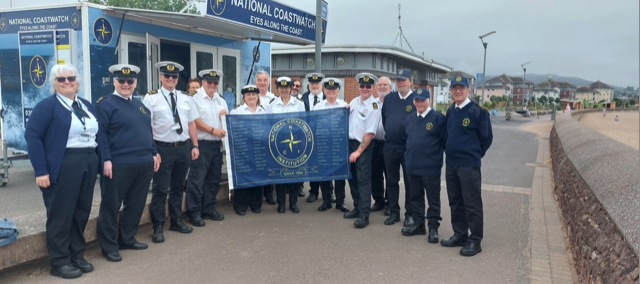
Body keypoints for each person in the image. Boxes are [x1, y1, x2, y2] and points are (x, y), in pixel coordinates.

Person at [25, 64, 99, 279]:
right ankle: (59, 261)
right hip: (63, 163)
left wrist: (104, 161)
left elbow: (98, 136)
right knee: (61, 214)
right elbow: (33, 138)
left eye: (71, 78)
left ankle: (76, 254)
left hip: (88, 161)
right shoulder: (47, 107)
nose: (67, 82)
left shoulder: (85, 105)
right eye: (61, 79)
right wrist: (41, 170)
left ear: (78, 81)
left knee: (81, 212)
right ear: (54, 84)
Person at [95, 64, 159, 262]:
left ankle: (127, 238)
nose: (125, 84)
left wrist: (154, 153)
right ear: (114, 82)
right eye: (121, 81)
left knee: (136, 204)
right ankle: (109, 246)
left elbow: (148, 133)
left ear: (135, 83)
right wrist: (105, 160)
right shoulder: (105, 104)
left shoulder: (140, 106)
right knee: (110, 206)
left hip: (143, 163)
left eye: (129, 81)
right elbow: (101, 135)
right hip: (118, 164)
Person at [142, 61, 200, 243]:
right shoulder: (151, 98)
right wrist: (152, 151)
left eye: (174, 76)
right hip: (162, 149)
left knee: (177, 187)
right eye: (166, 76)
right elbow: (147, 127)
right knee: (160, 189)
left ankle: (176, 220)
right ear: (160, 77)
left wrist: (195, 145)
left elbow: (191, 124)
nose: (170, 79)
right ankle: (158, 226)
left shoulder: (186, 97)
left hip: (183, 147)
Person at [440, 76, 493, 257]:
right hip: (452, 164)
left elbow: (487, 138)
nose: (457, 91)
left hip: (469, 166)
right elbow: (447, 136)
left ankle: (475, 240)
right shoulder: (450, 111)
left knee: (472, 203)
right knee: (455, 202)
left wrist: (476, 155)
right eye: (454, 88)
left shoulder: (478, 112)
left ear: (468, 90)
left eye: (461, 88)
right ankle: (460, 234)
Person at [400, 88, 445, 244]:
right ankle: (419, 225)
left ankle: (433, 227)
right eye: (417, 101)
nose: (420, 103)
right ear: (414, 102)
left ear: (429, 101)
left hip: (430, 168)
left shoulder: (438, 118)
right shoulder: (409, 119)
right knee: (415, 198)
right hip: (412, 166)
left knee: (433, 200)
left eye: (422, 100)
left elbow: (445, 142)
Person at [185, 69, 228, 227]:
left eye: (215, 82)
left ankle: (209, 209)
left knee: (213, 180)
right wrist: (212, 130)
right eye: (209, 82)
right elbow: (194, 121)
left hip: (217, 145)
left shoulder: (220, 99)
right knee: (197, 180)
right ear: (203, 82)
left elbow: (224, 121)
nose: (212, 85)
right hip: (201, 144)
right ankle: (194, 212)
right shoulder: (194, 98)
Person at [344, 73, 382, 228]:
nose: (365, 89)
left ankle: (364, 215)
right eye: (362, 86)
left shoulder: (374, 107)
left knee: (363, 180)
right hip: (349, 144)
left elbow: (370, 133)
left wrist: (358, 152)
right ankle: (357, 207)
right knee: (351, 178)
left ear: (373, 88)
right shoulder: (354, 101)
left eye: (368, 86)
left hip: (363, 147)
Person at [381, 69, 416, 227]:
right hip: (390, 146)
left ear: (410, 82)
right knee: (392, 181)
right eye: (398, 80)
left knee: (410, 182)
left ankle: (410, 214)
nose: (401, 83)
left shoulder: (417, 99)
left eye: (404, 80)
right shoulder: (389, 99)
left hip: (408, 149)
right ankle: (394, 211)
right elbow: (384, 119)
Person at [265, 77, 305, 213]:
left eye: (286, 87)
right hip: (279, 144)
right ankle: (281, 203)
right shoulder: (271, 105)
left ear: (290, 88)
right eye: (281, 88)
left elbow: (303, 124)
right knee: (280, 174)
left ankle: (293, 203)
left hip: (295, 143)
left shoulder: (299, 104)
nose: (284, 90)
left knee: (294, 173)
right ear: (277, 89)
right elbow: (269, 125)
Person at [311, 78, 350, 213]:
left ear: (338, 91)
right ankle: (326, 201)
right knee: (324, 175)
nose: (331, 91)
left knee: (340, 175)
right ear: (324, 90)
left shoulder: (345, 106)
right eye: (328, 89)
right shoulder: (318, 107)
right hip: (323, 144)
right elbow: (313, 126)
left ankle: (340, 202)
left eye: (334, 89)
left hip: (339, 144)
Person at [231, 85, 266, 215]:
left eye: (254, 95)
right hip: (243, 149)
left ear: (258, 97)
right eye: (248, 95)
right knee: (243, 177)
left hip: (258, 148)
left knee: (257, 177)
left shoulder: (263, 111)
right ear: (244, 97)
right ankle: (240, 205)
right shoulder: (237, 111)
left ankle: (256, 204)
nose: (251, 97)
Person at [301, 73, 326, 202]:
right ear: (309, 85)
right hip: (309, 138)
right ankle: (313, 191)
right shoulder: (302, 99)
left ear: (321, 84)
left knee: (326, 165)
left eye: (317, 83)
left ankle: (328, 192)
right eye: (312, 83)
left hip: (324, 137)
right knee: (313, 165)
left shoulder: (329, 97)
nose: (315, 85)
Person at [254, 70, 277, 205]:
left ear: (268, 83)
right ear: (255, 82)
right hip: (255, 138)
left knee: (269, 166)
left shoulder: (273, 98)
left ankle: (268, 193)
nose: (262, 83)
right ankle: (257, 194)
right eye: (259, 80)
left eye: (264, 80)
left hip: (268, 137)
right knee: (257, 165)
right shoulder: (250, 95)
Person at [371, 76, 392, 215]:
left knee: (390, 175)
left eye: (385, 85)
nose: (382, 87)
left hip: (389, 144)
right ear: (376, 87)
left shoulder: (394, 103)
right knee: (375, 174)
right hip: (374, 143)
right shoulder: (372, 103)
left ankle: (391, 203)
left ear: (390, 88)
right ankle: (379, 201)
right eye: (380, 85)